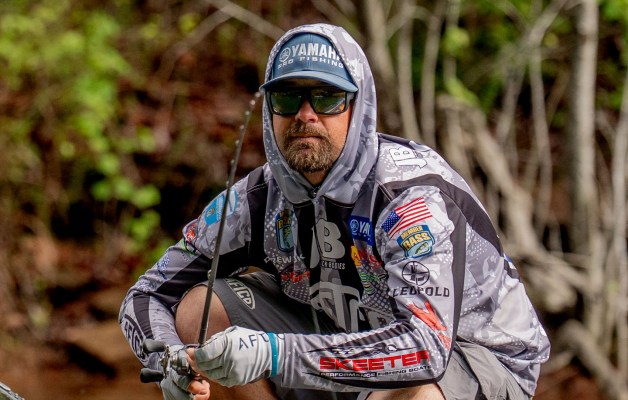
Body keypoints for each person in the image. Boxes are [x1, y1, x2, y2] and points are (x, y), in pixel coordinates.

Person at [119, 23, 550, 400]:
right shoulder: (254, 200)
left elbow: (427, 350)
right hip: (337, 338)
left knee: (412, 393)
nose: (305, 115)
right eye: (288, 97)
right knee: (200, 310)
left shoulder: (409, 199)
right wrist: (169, 361)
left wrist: (274, 354)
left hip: (474, 358)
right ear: (269, 110)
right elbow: (146, 295)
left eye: (327, 98)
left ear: (357, 108)